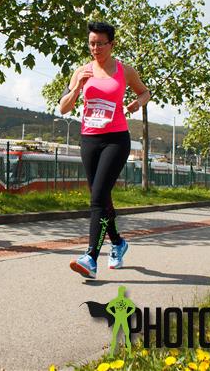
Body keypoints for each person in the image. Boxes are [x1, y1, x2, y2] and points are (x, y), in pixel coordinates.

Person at [59, 21, 150, 279]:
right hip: (89, 139)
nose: (95, 48)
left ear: (112, 44)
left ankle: (90, 257)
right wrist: (77, 87)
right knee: (101, 197)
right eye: (91, 43)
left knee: (97, 197)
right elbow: (63, 108)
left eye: (100, 43)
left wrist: (137, 103)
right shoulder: (81, 71)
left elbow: (145, 92)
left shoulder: (124, 70)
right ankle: (118, 242)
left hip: (116, 140)